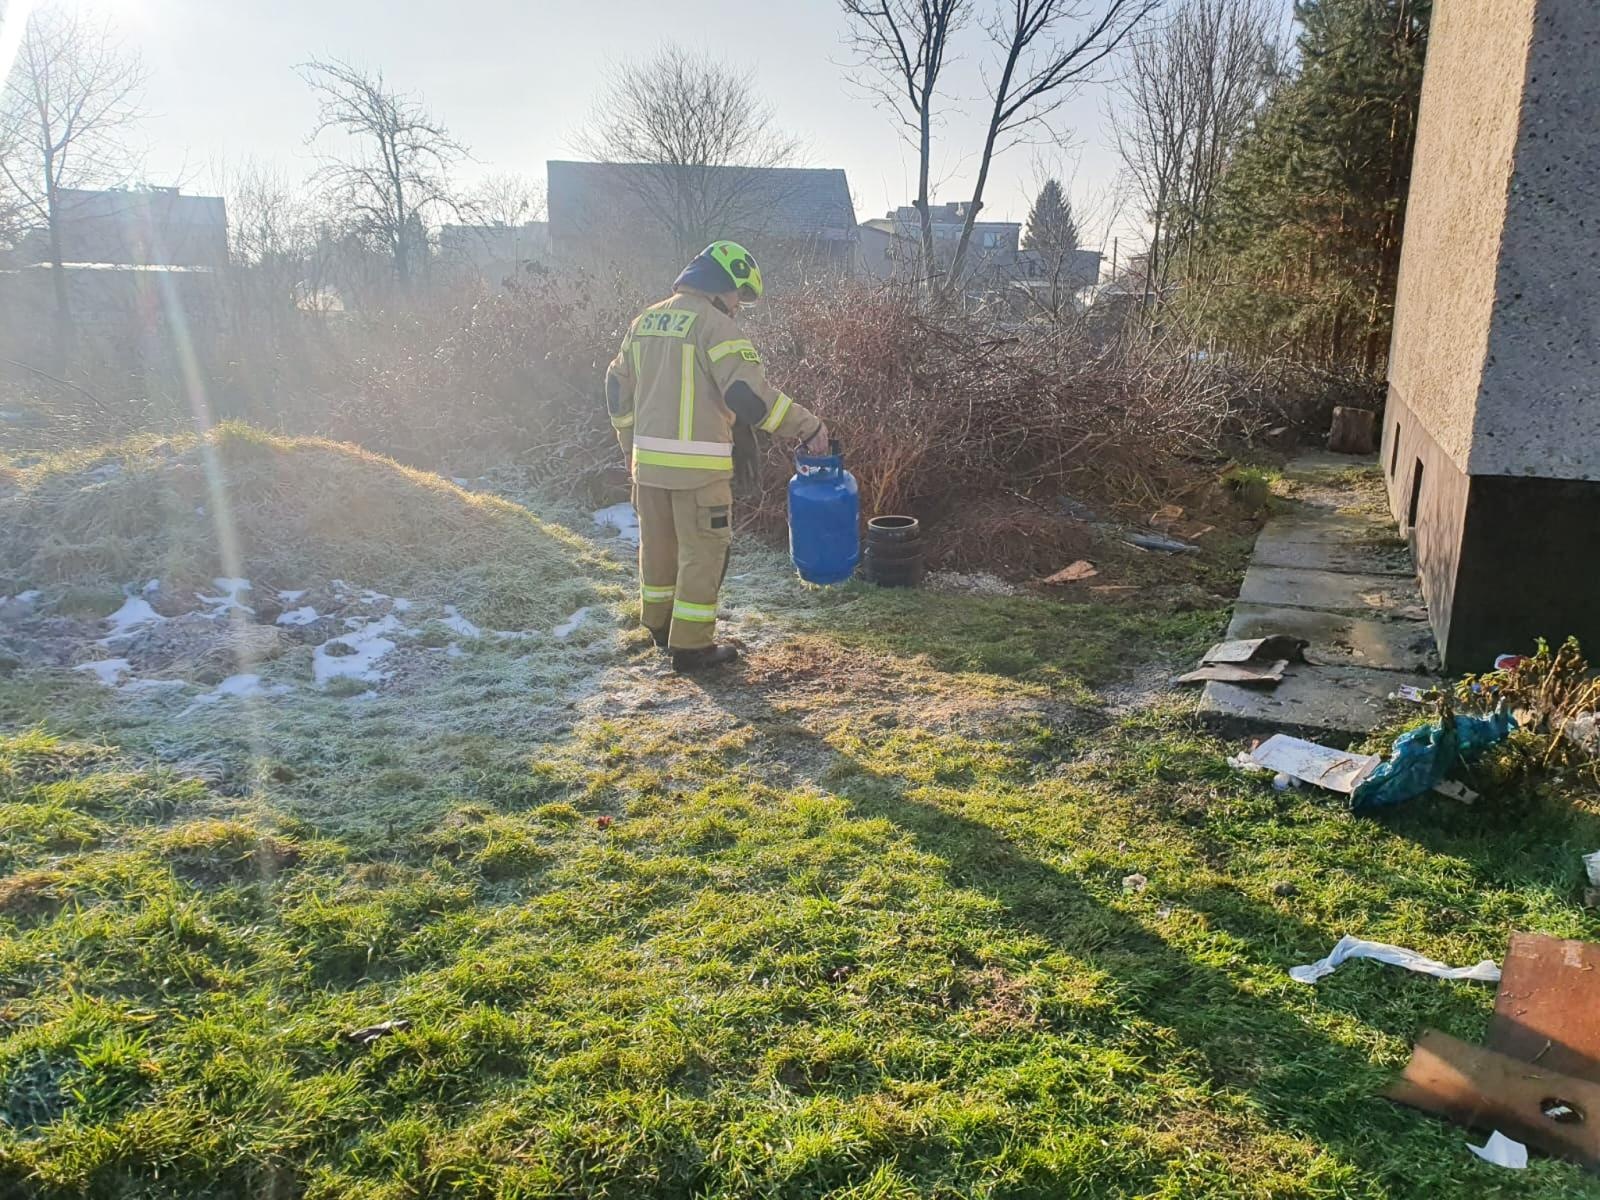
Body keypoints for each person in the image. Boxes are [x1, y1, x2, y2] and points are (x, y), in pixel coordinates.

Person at [605, 241, 828, 672]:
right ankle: (691, 647)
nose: (737, 307)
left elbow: (616, 388)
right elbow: (748, 396)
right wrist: (808, 426)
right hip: (698, 475)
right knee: (703, 553)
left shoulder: (645, 321)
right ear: (720, 286)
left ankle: (659, 625)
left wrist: (629, 441)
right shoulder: (715, 327)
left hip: (647, 468)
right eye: (737, 296)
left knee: (657, 548)